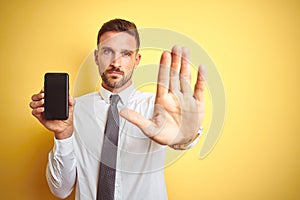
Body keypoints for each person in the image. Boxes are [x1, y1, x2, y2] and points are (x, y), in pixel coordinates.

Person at [30, 18, 205, 200]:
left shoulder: (158, 110)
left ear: (136, 60)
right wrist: (63, 136)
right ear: (97, 57)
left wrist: (184, 138)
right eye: (107, 52)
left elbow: (179, 136)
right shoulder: (74, 112)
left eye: (126, 54)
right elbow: (61, 190)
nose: (116, 62)